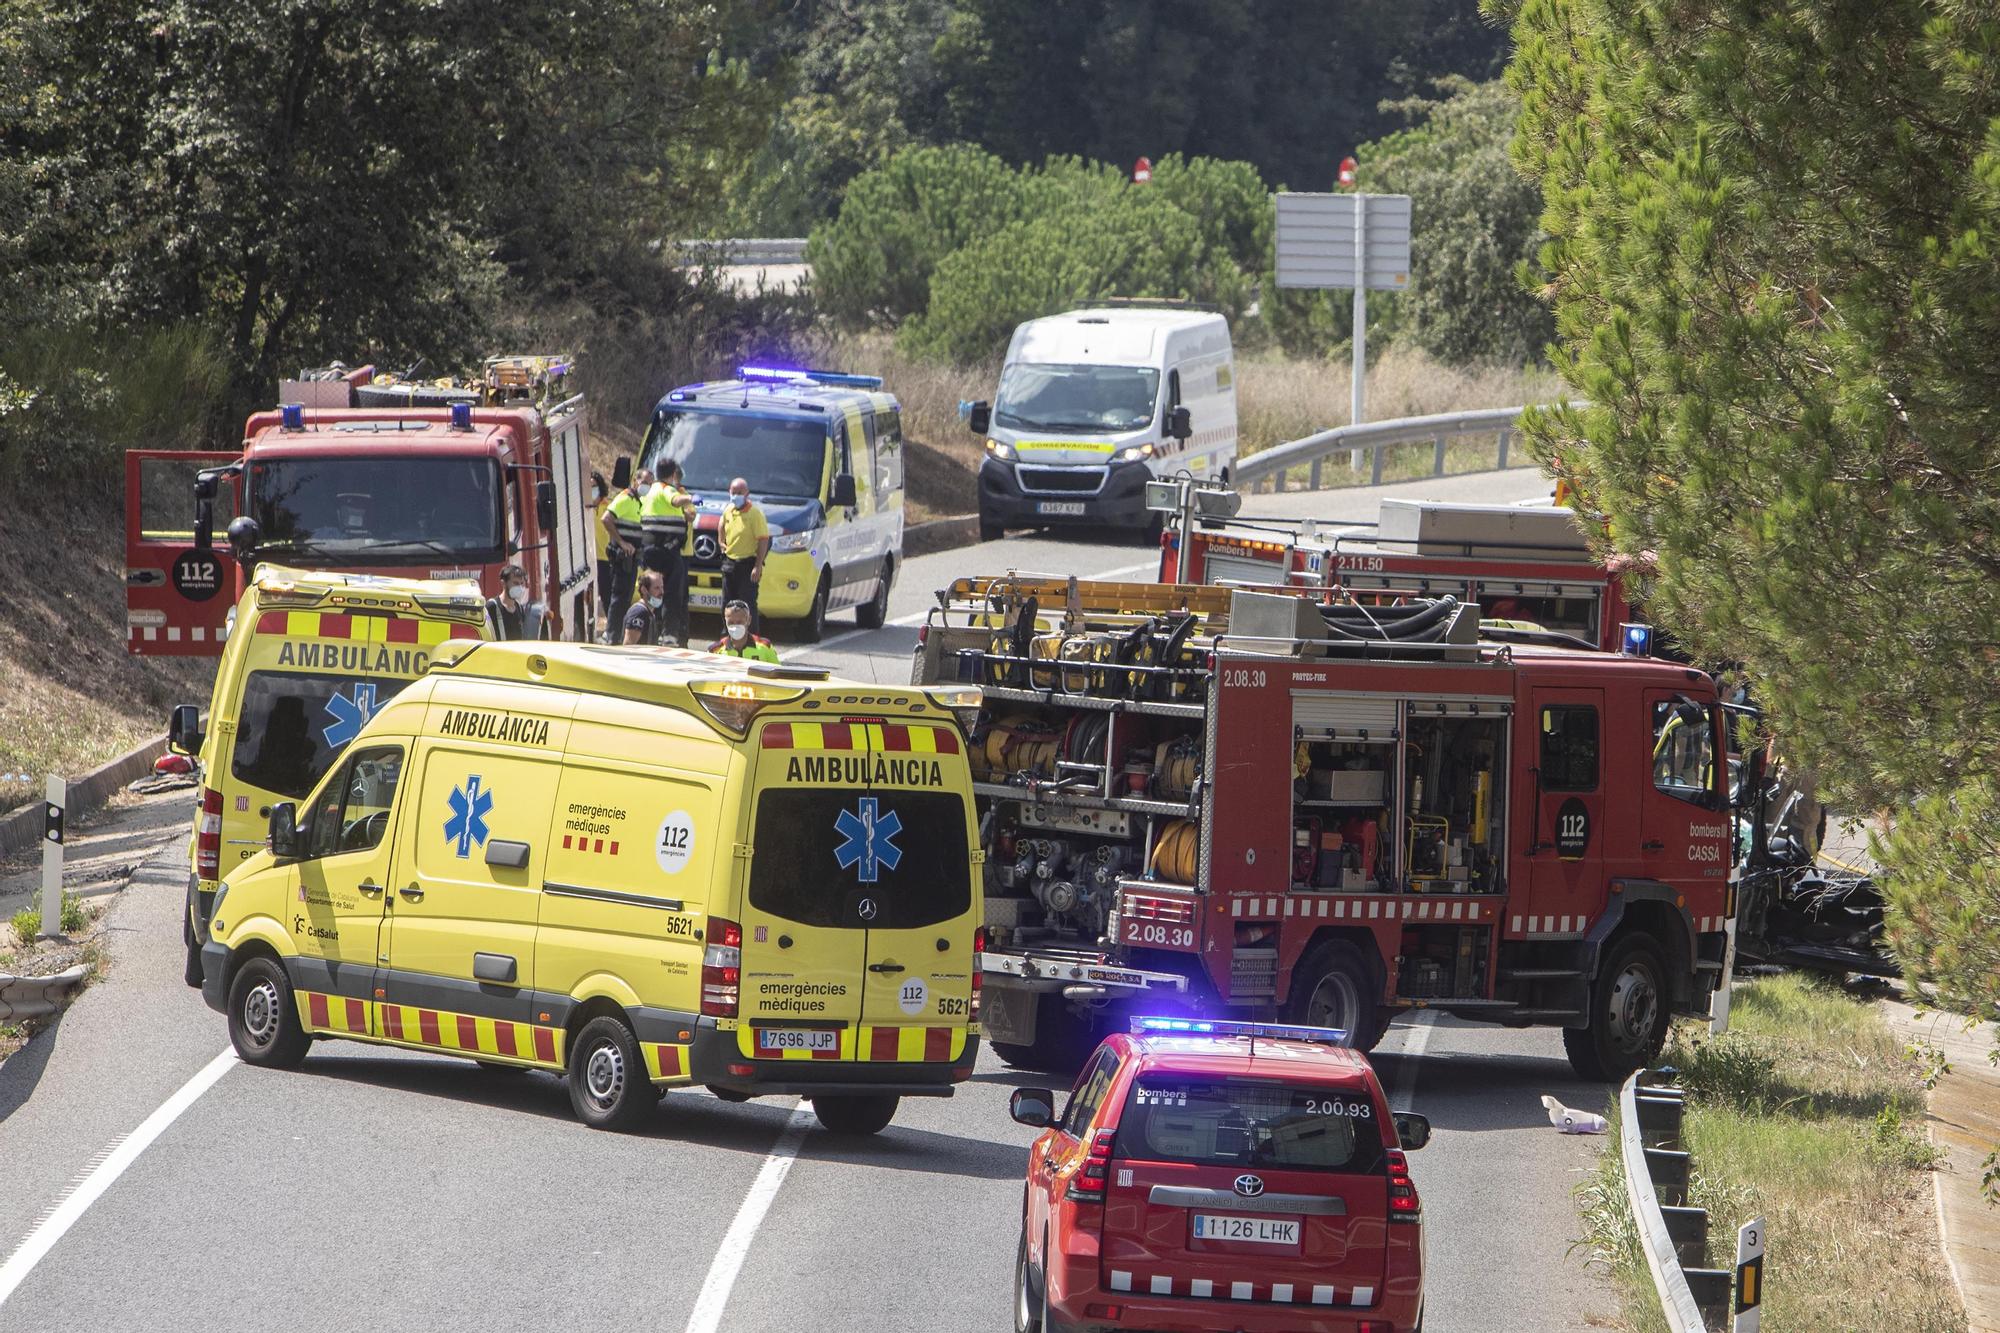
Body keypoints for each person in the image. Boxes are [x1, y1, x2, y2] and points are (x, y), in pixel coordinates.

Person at [641, 459, 697, 646]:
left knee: (652, 591)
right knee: (672, 593)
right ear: (673, 474)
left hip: (650, 550)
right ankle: (670, 635)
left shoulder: (650, 492)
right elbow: (675, 500)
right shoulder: (667, 489)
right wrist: (691, 498)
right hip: (667, 551)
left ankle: (652, 631)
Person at [600, 468, 652, 641]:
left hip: (632, 558)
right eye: (645, 482)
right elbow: (606, 519)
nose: (647, 486)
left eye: (650, 484)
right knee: (619, 597)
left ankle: (618, 634)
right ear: (635, 481)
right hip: (622, 556)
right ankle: (612, 635)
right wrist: (621, 542)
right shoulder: (625, 498)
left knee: (626, 596)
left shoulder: (640, 501)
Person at [719, 476, 769, 632]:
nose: (736, 495)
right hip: (730, 563)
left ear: (747, 493)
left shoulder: (755, 514)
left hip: (748, 565)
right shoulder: (729, 510)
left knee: (747, 604)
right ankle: (727, 637)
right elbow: (721, 524)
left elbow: (763, 540)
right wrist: (721, 542)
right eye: (733, 492)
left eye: (740, 492)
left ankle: (751, 638)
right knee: (727, 604)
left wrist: (758, 565)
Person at [709, 600, 779, 662]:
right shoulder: (715, 650)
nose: (735, 626)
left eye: (739, 622)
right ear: (725, 621)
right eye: (731, 622)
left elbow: (778, 673)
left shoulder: (765, 646)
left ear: (749, 620)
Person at [486, 563, 542, 640]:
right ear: (504, 583)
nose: (519, 587)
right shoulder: (492, 607)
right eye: (515, 583)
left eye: (521, 583)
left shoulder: (519, 608)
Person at [589, 470, 613, 633]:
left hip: (605, 559)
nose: (592, 489)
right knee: (589, 599)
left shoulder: (609, 507)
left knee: (607, 596)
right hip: (589, 559)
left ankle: (612, 628)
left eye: (594, 486)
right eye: (588, 486)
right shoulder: (583, 507)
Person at [623, 571, 665, 645]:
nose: (661, 592)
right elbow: (628, 646)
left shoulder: (650, 613)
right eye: (657, 588)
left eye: (662, 587)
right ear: (644, 590)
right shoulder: (639, 612)